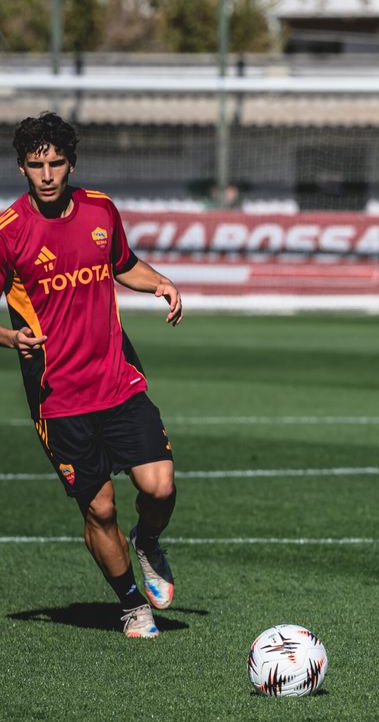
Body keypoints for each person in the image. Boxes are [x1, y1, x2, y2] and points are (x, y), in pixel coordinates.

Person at [0, 113, 183, 638]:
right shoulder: (9, 233)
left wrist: (160, 283)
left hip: (117, 379)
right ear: (22, 169)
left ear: (71, 163)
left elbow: (122, 262)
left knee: (161, 487)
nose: (48, 174)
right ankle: (132, 606)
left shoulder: (100, 209)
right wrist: (12, 339)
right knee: (99, 509)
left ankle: (147, 542)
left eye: (57, 163)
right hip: (58, 398)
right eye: (37, 165)